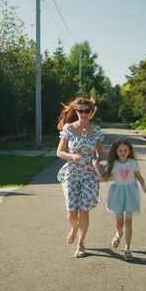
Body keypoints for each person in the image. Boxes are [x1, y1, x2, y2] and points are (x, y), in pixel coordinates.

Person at [56, 97, 103, 258]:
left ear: (91, 112)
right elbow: (59, 152)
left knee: (84, 209)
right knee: (71, 212)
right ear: (76, 111)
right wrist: (72, 157)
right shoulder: (69, 128)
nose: (83, 114)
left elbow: (100, 151)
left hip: (89, 174)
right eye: (80, 111)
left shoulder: (95, 130)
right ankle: (74, 228)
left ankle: (81, 244)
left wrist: (97, 158)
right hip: (72, 173)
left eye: (86, 111)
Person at [93, 139, 146, 261]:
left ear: (129, 151)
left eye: (125, 150)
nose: (123, 152)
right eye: (120, 150)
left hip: (131, 194)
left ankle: (127, 248)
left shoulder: (132, 163)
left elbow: (139, 176)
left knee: (128, 222)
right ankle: (118, 234)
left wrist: (144, 187)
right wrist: (97, 168)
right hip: (117, 193)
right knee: (119, 225)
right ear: (116, 151)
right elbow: (103, 179)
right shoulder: (113, 164)